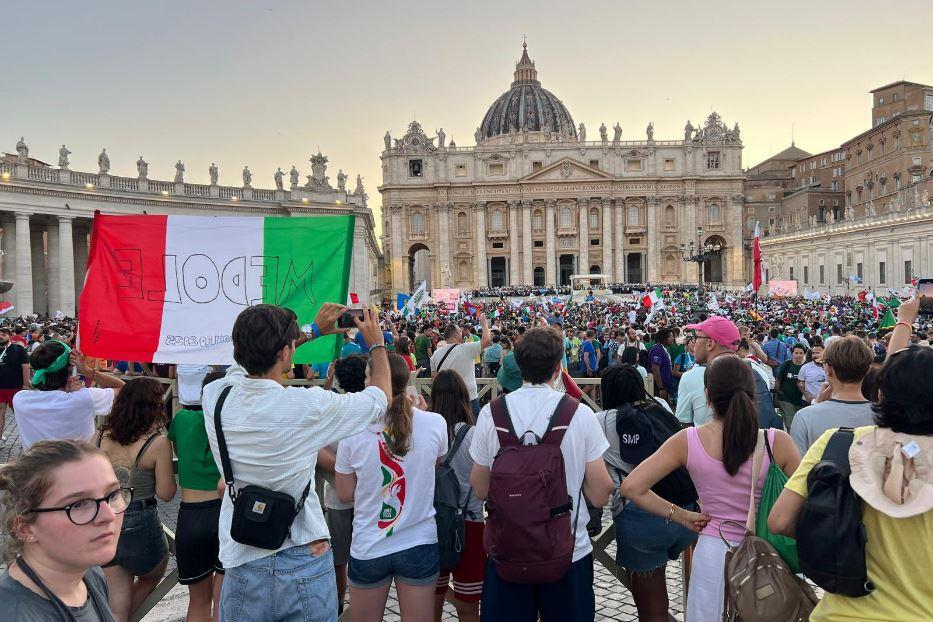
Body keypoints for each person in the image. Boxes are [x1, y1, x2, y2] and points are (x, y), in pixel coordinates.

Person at [202, 304, 392, 622]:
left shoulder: (215, 396)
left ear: (237, 350)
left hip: (241, 558)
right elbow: (380, 400)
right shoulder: (306, 405)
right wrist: (377, 344)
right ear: (287, 352)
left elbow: (245, 368)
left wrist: (309, 332)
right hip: (303, 552)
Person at [768, 298, 933, 621]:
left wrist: (837, 535)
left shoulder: (840, 441)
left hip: (844, 613)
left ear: (881, 394)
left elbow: (780, 521)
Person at [621, 355, 800, 622]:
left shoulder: (688, 440)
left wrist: (680, 515)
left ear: (708, 395)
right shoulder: (779, 442)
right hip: (766, 555)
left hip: (714, 553)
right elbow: (808, 498)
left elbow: (632, 487)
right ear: (752, 394)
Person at [469, 327, 615, 622]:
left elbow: (480, 488)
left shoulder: (491, 413)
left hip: (507, 548)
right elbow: (600, 493)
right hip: (567, 552)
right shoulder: (581, 414)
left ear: (518, 366)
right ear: (559, 367)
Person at [335, 353, 447, 622]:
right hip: (418, 542)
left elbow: (346, 494)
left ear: (372, 381)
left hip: (369, 544)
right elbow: (435, 463)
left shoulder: (351, 429)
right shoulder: (435, 423)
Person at [595, 365, 698, 622]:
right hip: (685, 511)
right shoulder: (660, 405)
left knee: (652, 610)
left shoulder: (603, 420)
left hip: (641, 515)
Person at [0, 439, 130, 621]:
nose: (108, 515)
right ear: (25, 529)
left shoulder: (89, 574)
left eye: (113, 494)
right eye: (78, 505)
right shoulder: (15, 615)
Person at [96, 378, 177, 622]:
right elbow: (166, 493)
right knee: (154, 573)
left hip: (106, 518)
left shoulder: (101, 436)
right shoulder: (157, 443)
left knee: (116, 593)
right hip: (140, 520)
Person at [167, 371, 225, 622]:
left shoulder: (181, 419)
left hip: (190, 515)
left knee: (198, 602)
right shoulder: (232, 423)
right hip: (223, 512)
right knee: (223, 602)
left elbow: (178, 450)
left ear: (203, 394)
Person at [430, 370, 483, 622]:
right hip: (470, 524)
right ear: (463, 398)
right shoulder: (475, 436)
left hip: (434, 524)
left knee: (432, 602)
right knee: (468, 606)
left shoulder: (427, 434)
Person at [317, 354, 369, 615]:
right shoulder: (373, 407)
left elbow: (318, 448)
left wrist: (341, 470)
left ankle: (339, 602)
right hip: (370, 494)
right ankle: (362, 603)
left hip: (337, 492)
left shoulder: (332, 407)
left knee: (339, 557)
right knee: (365, 550)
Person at [13, 341, 125, 450]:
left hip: (36, 467)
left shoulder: (20, 399)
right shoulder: (85, 398)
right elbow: (124, 389)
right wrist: (87, 371)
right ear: (71, 368)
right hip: (80, 466)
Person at [789, 335, 876, 453]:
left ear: (828, 369)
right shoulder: (883, 416)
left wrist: (816, 405)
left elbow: (796, 467)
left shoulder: (804, 417)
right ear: (867, 370)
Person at [430, 315, 491, 416]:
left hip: (446, 400)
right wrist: (484, 323)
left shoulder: (436, 354)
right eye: (460, 332)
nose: (462, 333)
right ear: (455, 336)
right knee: (471, 429)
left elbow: (434, 377)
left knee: (449, 429)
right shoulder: (466, 349)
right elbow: (486, 340)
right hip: (468, 398)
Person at [0, 326, 30, 443]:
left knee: (21, 414)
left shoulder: (18, 349)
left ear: (10, 336)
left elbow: (26, 367)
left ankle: (29, 438)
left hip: (16, 387)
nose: (0, 336)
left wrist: (26, 386)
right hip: (0, 388)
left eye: (3, 334)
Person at [774, 343, 807, 429]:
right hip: (786, 398)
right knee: (790, 422)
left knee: (800, 423)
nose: (798, 355)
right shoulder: (786, 364)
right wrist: (776, 396)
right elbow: (778, 380)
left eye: (801, 353)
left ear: (804, 354)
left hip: (801, 400)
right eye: (796, 353)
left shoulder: (807, 366)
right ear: (792, 353)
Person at [649, 329, 675, 403]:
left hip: (664, 386)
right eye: (670, 337)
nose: (673, 338)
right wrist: (661, 388)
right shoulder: (657, 349)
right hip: (658, 387)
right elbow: (655, 369)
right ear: (663, 338)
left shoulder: (664, 349)